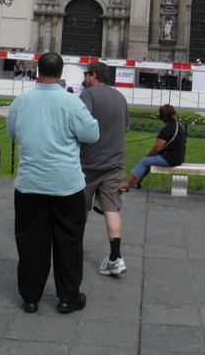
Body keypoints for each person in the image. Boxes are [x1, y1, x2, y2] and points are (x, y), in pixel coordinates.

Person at [6, 52, 100, 315]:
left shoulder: (21, 102)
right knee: (69, 241)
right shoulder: (72, 103)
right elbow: (91, 134)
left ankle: (30, 298)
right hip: (66, 184)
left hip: (30, 184)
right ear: (61, 74)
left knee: (30, 242)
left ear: (38, 71)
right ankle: (68, 297)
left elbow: (11, 132)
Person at [79, 61, 130, 277]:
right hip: (115, 163)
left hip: (88, 163)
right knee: (111, 208)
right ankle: (116, 258)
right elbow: (126, 127)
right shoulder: (120, 96)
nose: (84, 78)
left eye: (85, 74)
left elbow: (82, 121)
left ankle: (74, 248)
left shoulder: (88, 95)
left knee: (81, 207)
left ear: (92, 76)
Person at [120, 104, 185, 191]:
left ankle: (126, 184)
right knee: (148, 161)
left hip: (170, 159)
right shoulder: (176, 125)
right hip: (178, 158)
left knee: (143, 161)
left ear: (161, 117)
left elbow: (157, 148)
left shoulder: (167, 129)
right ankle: (136, 182)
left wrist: (148, 155)